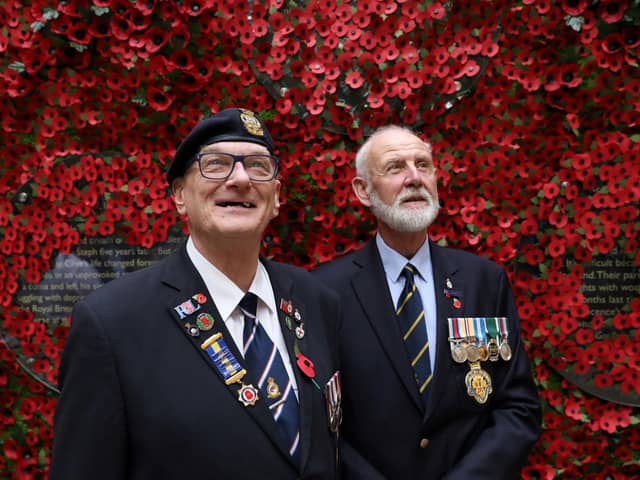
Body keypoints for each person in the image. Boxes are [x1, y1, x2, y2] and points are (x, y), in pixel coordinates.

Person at [50, 108, 343, 480]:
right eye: (216, 164)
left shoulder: (316, 302)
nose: (239, 179)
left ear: (277, 197)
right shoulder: (112, 324)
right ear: (179, 196)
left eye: (257, 165)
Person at [313, 125, 541, 479]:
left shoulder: (483, 281)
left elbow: (517, 406)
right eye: (395, 167)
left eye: (423, 164)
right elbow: (320, 420)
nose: (414, 177)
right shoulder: (326, 292)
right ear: (363, 191)